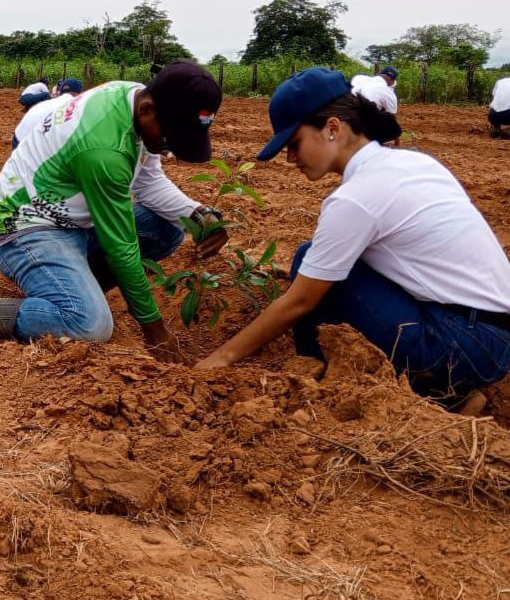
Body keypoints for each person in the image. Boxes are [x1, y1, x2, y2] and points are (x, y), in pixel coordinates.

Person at [197, 67, 510, 409]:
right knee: (315, 257)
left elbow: (299, 302)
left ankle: (329, 383)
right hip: (492, 340)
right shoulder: (413, 163)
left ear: (332, 128)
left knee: (313, 267)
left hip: (458, 345)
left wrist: (221, 359)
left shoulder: (357, 197)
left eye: (294, 144)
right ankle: (440, 388)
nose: (290, 158)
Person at [0, 60, 226, 361]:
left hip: (70, 222)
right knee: (89, 324)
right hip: (22, 227)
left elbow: (149, 181)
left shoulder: (133, 97)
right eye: (168, 139)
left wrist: (198, 215)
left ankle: (70, 290)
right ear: (147, 109)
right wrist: (155, 329)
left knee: (169, 227)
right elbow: (121, 247)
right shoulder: (104, 150)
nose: (167, 149)